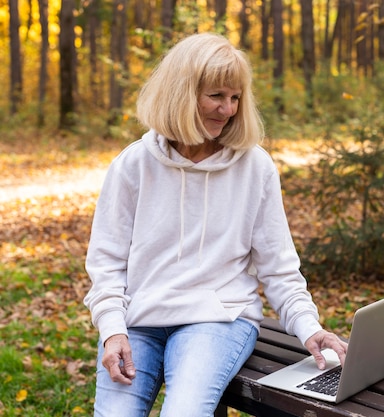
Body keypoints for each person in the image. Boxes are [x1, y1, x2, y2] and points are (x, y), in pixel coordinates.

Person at [83, 32, 348, 417]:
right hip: (139, 323)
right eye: (216, 96)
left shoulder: (255, 167)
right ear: (181, 94)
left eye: (236, 97)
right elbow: (106, 263)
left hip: (217, 320)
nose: (228, 110)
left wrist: (310, 327)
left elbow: (279, 268)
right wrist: (112, 330)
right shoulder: (133, 165)